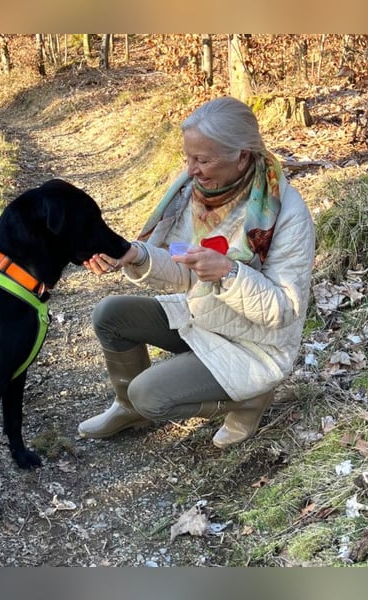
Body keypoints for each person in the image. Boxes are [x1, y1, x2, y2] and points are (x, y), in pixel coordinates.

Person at [79, 96, 315, 448]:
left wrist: (230, 274)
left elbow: (284, 310)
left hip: (255, 346)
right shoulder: (195, 192)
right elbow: (181, 263)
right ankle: (127, 408)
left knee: (150, 395)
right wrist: (134, 255)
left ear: (243, 156)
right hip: (204, 316)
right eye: (187, 157)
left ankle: (250, 399)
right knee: (110, 314)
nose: (190, 170)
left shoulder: (287, 214)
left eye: (203, 160)